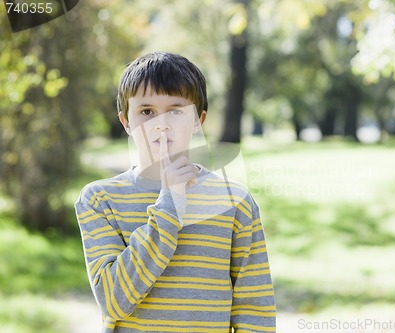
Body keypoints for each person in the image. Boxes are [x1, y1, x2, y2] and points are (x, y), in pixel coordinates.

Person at [74, 52, 276, 333]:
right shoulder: (99, 200)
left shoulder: (235, 202)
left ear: (198, 120)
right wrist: (170, 202)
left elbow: (255, 310)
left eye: (176, 110)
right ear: (126, 122)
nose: (162, 124)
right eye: (146, 112)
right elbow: (114, 300)